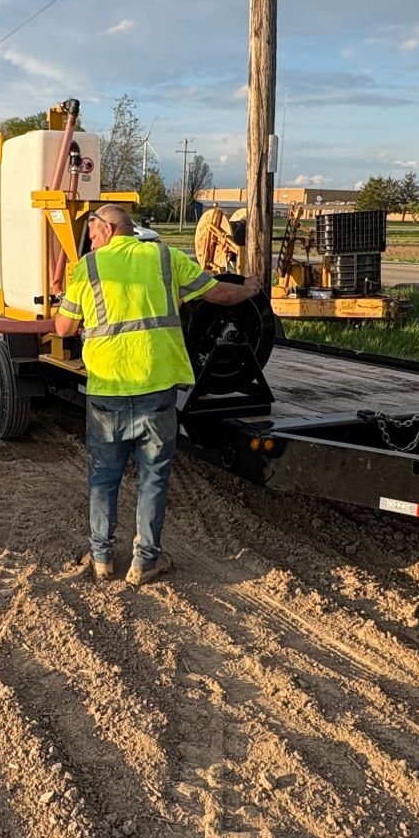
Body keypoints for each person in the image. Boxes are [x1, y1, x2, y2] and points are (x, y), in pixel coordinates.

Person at [52, 203, 261, 585]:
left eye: (93, 231)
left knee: (104, 478)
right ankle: (145, 560)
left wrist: (66, 304)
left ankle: (101, 559)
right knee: (153, 478)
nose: (91, 238)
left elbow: (63, 328)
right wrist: (248, 288)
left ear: (111, 229)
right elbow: (219, 295)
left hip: (107, 392)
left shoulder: (88, 267)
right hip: (156, 389)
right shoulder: (165, 257)